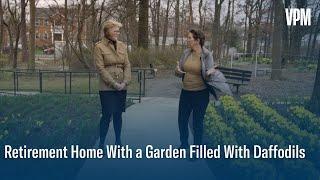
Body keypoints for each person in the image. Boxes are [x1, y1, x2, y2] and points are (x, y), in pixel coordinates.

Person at [175, 29, 216, 149]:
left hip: (200, 94)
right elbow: (179, 71)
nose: (187, 40)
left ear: (197, 40)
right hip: (186, 92)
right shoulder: (186, 52)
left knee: (197, 123)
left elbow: (209, 75)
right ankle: (184, 145)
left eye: (189, 38)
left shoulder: (207, 55)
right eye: (187, 38)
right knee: (182, 120)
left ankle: (197, 148)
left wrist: (210, 73)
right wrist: (177, 70)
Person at [94, 19, 131, 148]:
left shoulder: (122, 46)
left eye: (118, 31)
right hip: (107, 88)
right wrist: (114, 84)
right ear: (108, 31)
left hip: (122, 86)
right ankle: (102, 143)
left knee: (118, 114)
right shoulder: (99, 47)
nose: (118, 33)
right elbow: (100, 68)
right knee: (106, 115)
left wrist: (125, 81)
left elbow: (127, 65)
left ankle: (118, 141)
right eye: (115, 30)